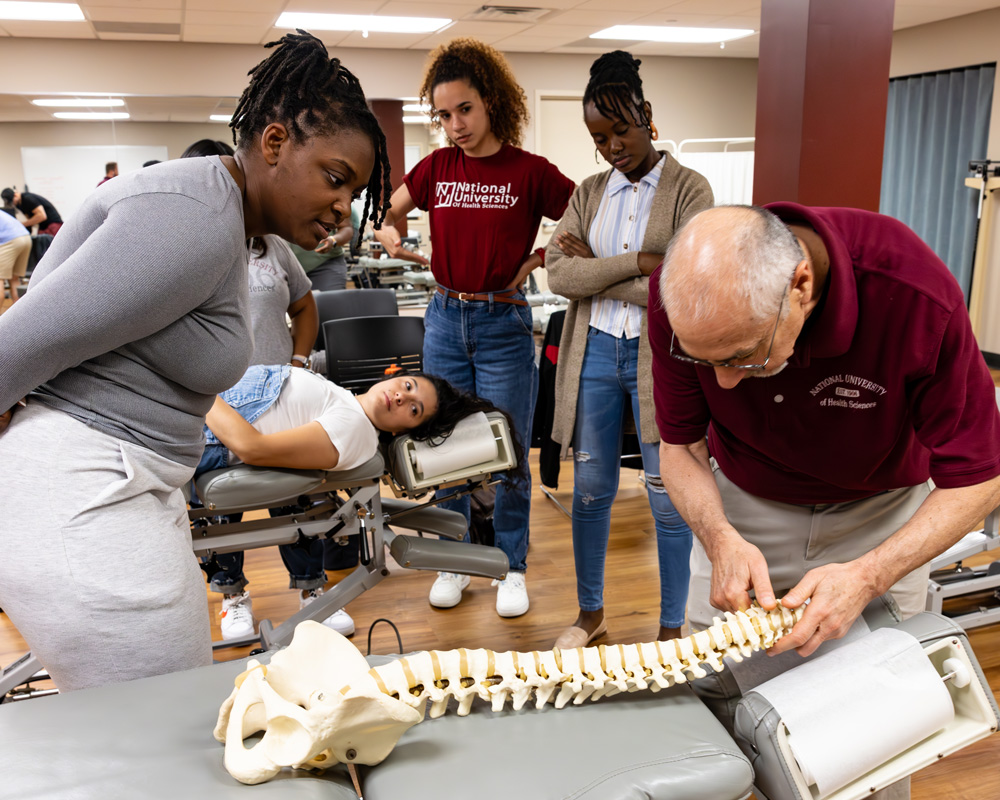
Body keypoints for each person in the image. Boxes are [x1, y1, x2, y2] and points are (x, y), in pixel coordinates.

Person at [0, 30, 392, 692]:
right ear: (274, 144)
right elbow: (20, 342)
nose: (341, 207)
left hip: (117, 485)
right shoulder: (195, 215)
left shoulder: (225, 221)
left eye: (351, 192)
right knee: (159, 741)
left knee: (154, 739)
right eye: (334, 178)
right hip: (85, 492)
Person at [649, 204, 1000, 799]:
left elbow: (979, 476)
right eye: (707, 364)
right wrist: (719, 537)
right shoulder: (685, 301)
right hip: (742, 502)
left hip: (880, 509)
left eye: (742, 356)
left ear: (800, 288)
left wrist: (870, 575)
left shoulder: (914, 294)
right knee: (709, 693)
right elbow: (680, 446)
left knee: (877, 722)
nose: (725, 383)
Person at [374, 38, 575, 618]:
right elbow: (392, 210)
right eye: (443, 115)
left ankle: (510, 566)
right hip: (443, 316)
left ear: (491, 102)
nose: (454, 125)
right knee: (445, 444)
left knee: (506, 446)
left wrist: (538, 259)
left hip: (502, 319)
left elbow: (581, 217)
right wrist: (390, 233)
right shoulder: (437, 167)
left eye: (464, 110)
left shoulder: (530, 172)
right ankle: (456, 560)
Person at [545, 51, 713, 649]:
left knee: (669, 498)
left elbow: (685, 285)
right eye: (599, 138)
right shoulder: (590, 193)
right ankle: (590, 615)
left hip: (656, 362)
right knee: (590, 491)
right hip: (592, 354)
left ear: (646, 115)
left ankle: (672, 628)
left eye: (621, 130)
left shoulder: (692, 189)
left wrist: (599, 269)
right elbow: (558, 275)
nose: (612, 146)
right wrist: (641, 263)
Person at [196, 365, 513, 637]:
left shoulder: (355, 428)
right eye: (408, 385)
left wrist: (195, 385)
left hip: (202, 427)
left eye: (413, 410)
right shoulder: (346, 398)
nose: (402, 397)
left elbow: (252, 447)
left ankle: (309, 594)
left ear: (406, 430)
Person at [289, 204, 359, 292]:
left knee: (327, 302)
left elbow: (346, 228)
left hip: (324, 266)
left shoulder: (331, 197)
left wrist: (333, 240)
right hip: (286, 270)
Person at [0, 209, 30, 306]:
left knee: (0, 279)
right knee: (14, 278)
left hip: (10, 240)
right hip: (26, 237)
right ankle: (18, 317)